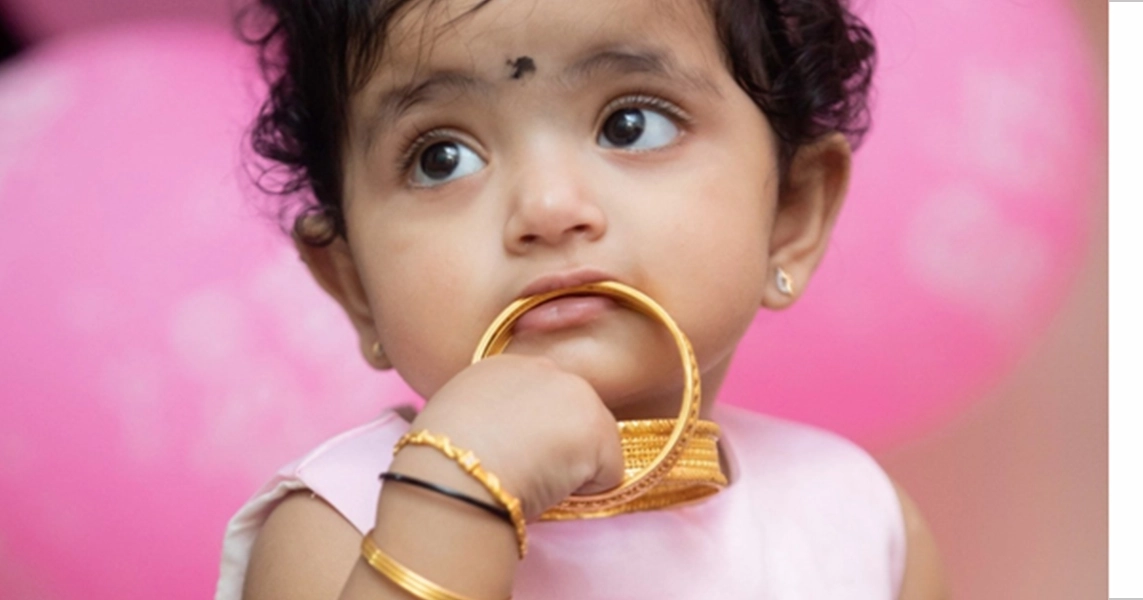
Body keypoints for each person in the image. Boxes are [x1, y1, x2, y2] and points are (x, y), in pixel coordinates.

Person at [214, 0, 944, 597]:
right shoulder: (337, 526)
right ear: (355, 287)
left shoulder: (855, 519)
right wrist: (451, 498)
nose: (548, 207)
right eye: (442, 158)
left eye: (631, 124)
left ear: (792, 213)